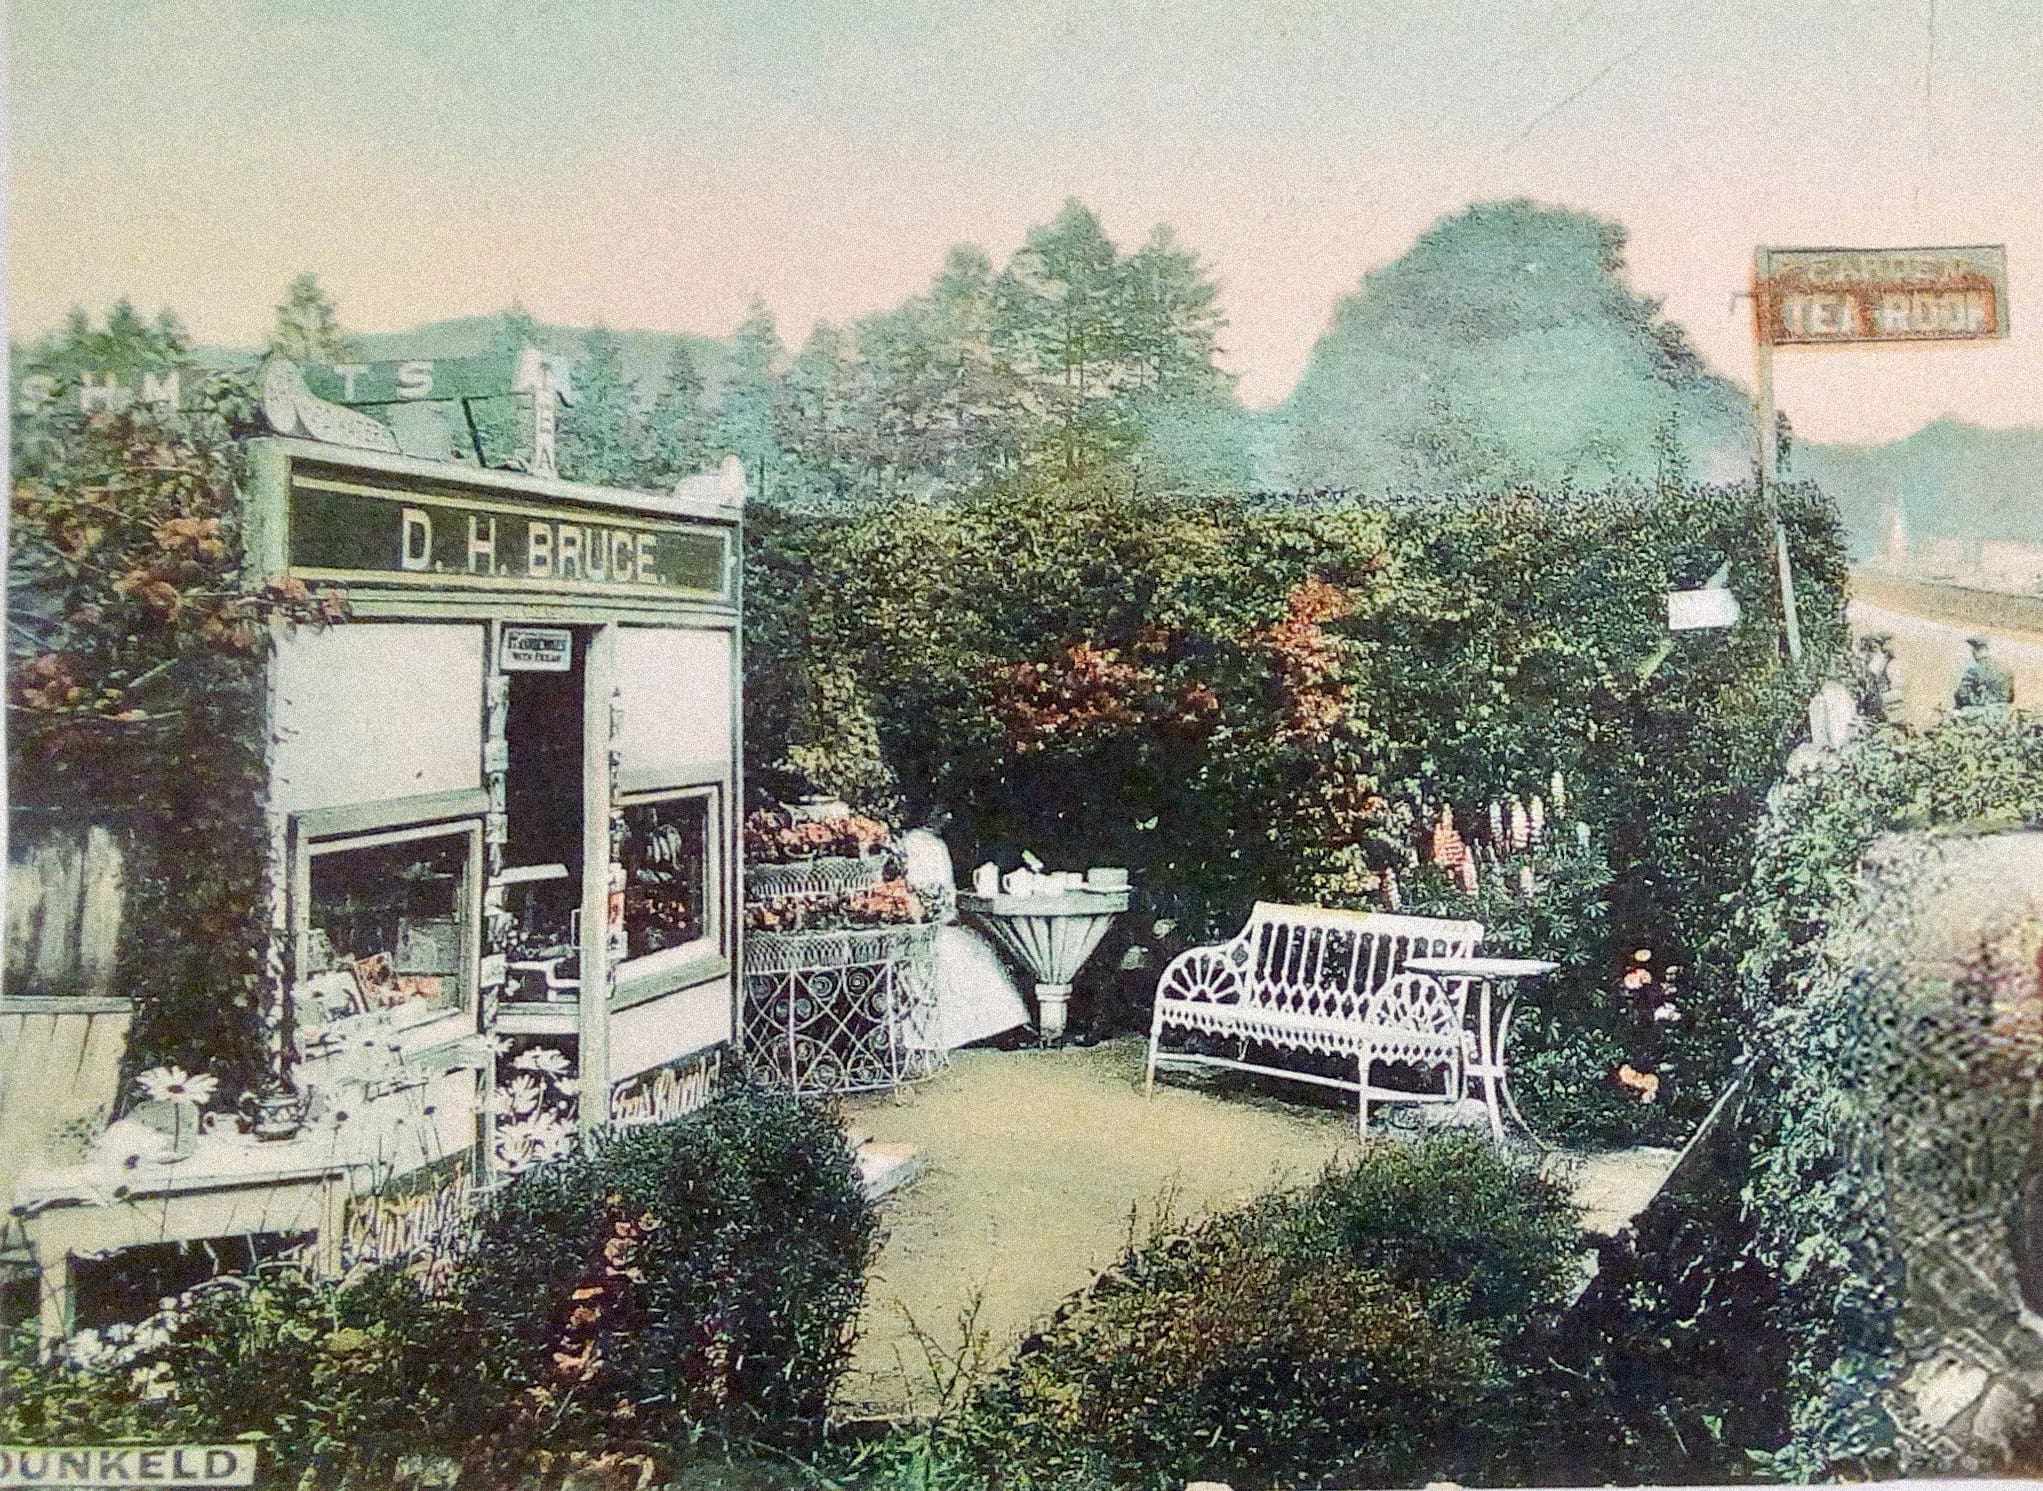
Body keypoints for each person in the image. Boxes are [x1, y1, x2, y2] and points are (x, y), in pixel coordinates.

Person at [1953, 635, 2015, 713]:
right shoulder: (2005, 669)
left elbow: (1962, 695)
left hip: (1981, 713)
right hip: (2003, 712)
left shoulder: (1973, 670)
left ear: (1975, 651)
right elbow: (2011, 697)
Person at [1853, 631, 1903, 721]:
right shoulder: (1863, 667)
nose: (1869, 654)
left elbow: (1898, 692)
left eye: (1874, 649)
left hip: (1887, 713)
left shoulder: (1890, 665)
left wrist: (1881, 700)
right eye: (1867, 649)